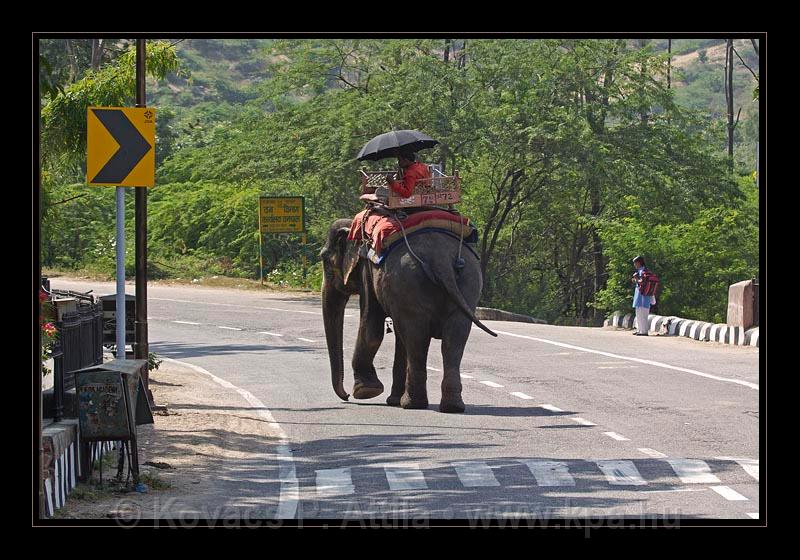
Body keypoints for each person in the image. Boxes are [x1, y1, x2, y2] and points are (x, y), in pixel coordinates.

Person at [631, 256, 656, 336]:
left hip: (643, 297)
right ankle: (640, 330)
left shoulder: (643, 271)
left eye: (635, 263)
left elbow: (642, 282)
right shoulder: (641, 270)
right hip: (640, 296)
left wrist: (636, 278)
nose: (635, 265)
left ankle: (644, 331)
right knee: (639, 313)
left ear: (639, 262)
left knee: (643, 314)